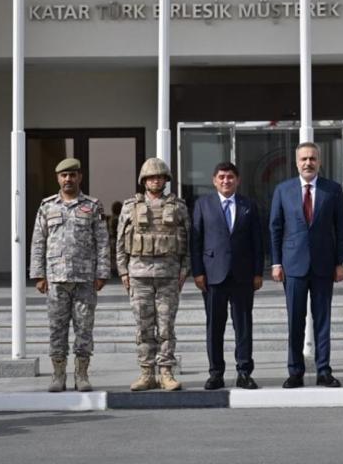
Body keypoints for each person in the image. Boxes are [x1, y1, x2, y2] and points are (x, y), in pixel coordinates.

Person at [269, 142, 343, 388]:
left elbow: (342, 228)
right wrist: (276, 262)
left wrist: (341, 261)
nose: (308, 163)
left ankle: (323, 370)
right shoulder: (283, 190)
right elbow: (275, 227)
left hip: (324, 264)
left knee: (323, 320)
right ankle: (295, 372)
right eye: (303, 159)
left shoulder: (332, 190)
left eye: (312, 158)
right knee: (295, 320)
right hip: (293, 266)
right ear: (296, 163)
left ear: (319, 162)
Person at [30, 158, 110, 392]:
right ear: (58, 178)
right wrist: (38, 274)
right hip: (56, 280)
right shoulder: (47, 206)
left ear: (79, 177)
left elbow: (102, 241)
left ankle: (82, 375)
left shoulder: (93, 206)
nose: (68, 179)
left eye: (72, 175)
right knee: (57, 329)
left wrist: (102, 273)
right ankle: (58, 375)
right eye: (64, 175)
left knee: (84, 329)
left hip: (85, 279)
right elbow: (38, 241)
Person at [117, 157, 190, 391]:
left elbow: (188, 240)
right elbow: (120, 241)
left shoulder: (178, 206)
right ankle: (146, 373)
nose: (156, 181)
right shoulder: (130, 206)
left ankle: (166, 372)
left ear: (166, 180)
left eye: (160, 177)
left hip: (168, 275)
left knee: (166, 326)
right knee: (143, 327)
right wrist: (123, 271)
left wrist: (184, 270)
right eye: (151, 177)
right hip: (139, 275)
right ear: (144, 180)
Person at [191, 162, 264, 390]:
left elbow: (257, 241)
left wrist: (258, 272)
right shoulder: (203, 204)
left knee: (243, 326)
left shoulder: (248, 205)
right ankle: (216, 373)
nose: (226, 181)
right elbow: (196, 241)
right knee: (215, 327)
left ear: (237, 180)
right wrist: (197, 272)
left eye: (230, 177)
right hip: (213, 275)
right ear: (214, 181)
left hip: (243, 275)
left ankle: (244, 371)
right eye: (221, 177)